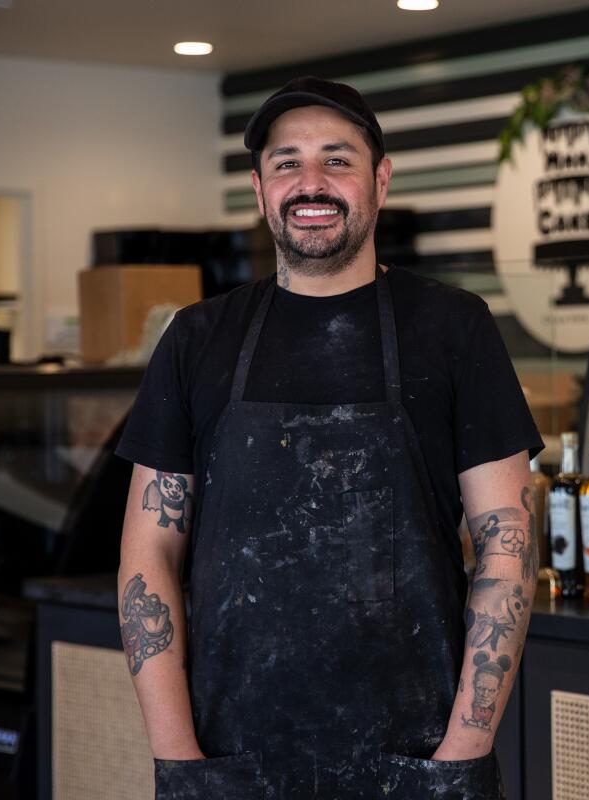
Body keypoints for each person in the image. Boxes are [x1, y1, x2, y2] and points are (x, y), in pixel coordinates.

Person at [115, 76, 543, 799]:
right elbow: (147, 553)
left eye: (336, 160)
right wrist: (179, 759)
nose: (310, 182)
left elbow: (508, 543)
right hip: (230, 762)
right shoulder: (197, 338)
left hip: (419, 761)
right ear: (259, 189)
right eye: (287, 163)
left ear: (380, 180)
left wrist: (462, 751)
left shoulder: (454, 327)